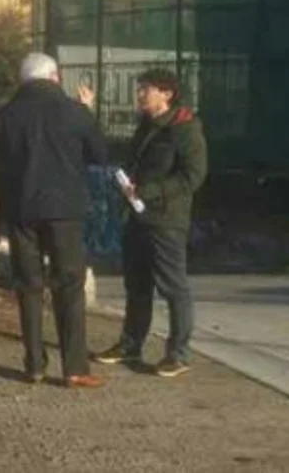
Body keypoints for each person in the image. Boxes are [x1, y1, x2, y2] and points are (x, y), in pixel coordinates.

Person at [0, 52, 108, 388]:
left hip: (21, 210)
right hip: (66, 210)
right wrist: (88, 112)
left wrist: (5, 201)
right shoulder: (74, 111)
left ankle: (34, 364)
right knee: (69, 285)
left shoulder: (4, 117)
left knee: (29, 285)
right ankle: (75, 367)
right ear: (55, 77)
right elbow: (100, 154)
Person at [92, 68, 208, 378]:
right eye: (140, 89)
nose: (140, 95)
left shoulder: (184, 128)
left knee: (173, 287)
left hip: (167, 220)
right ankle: (131, 344)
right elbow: (134, 161)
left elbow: (193, 176)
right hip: (137, 215)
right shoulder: (146, 125)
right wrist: (127, 184)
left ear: (166, 94)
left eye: (146, 89)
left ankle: (178, 354)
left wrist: (149, 191)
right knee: (137, 284)